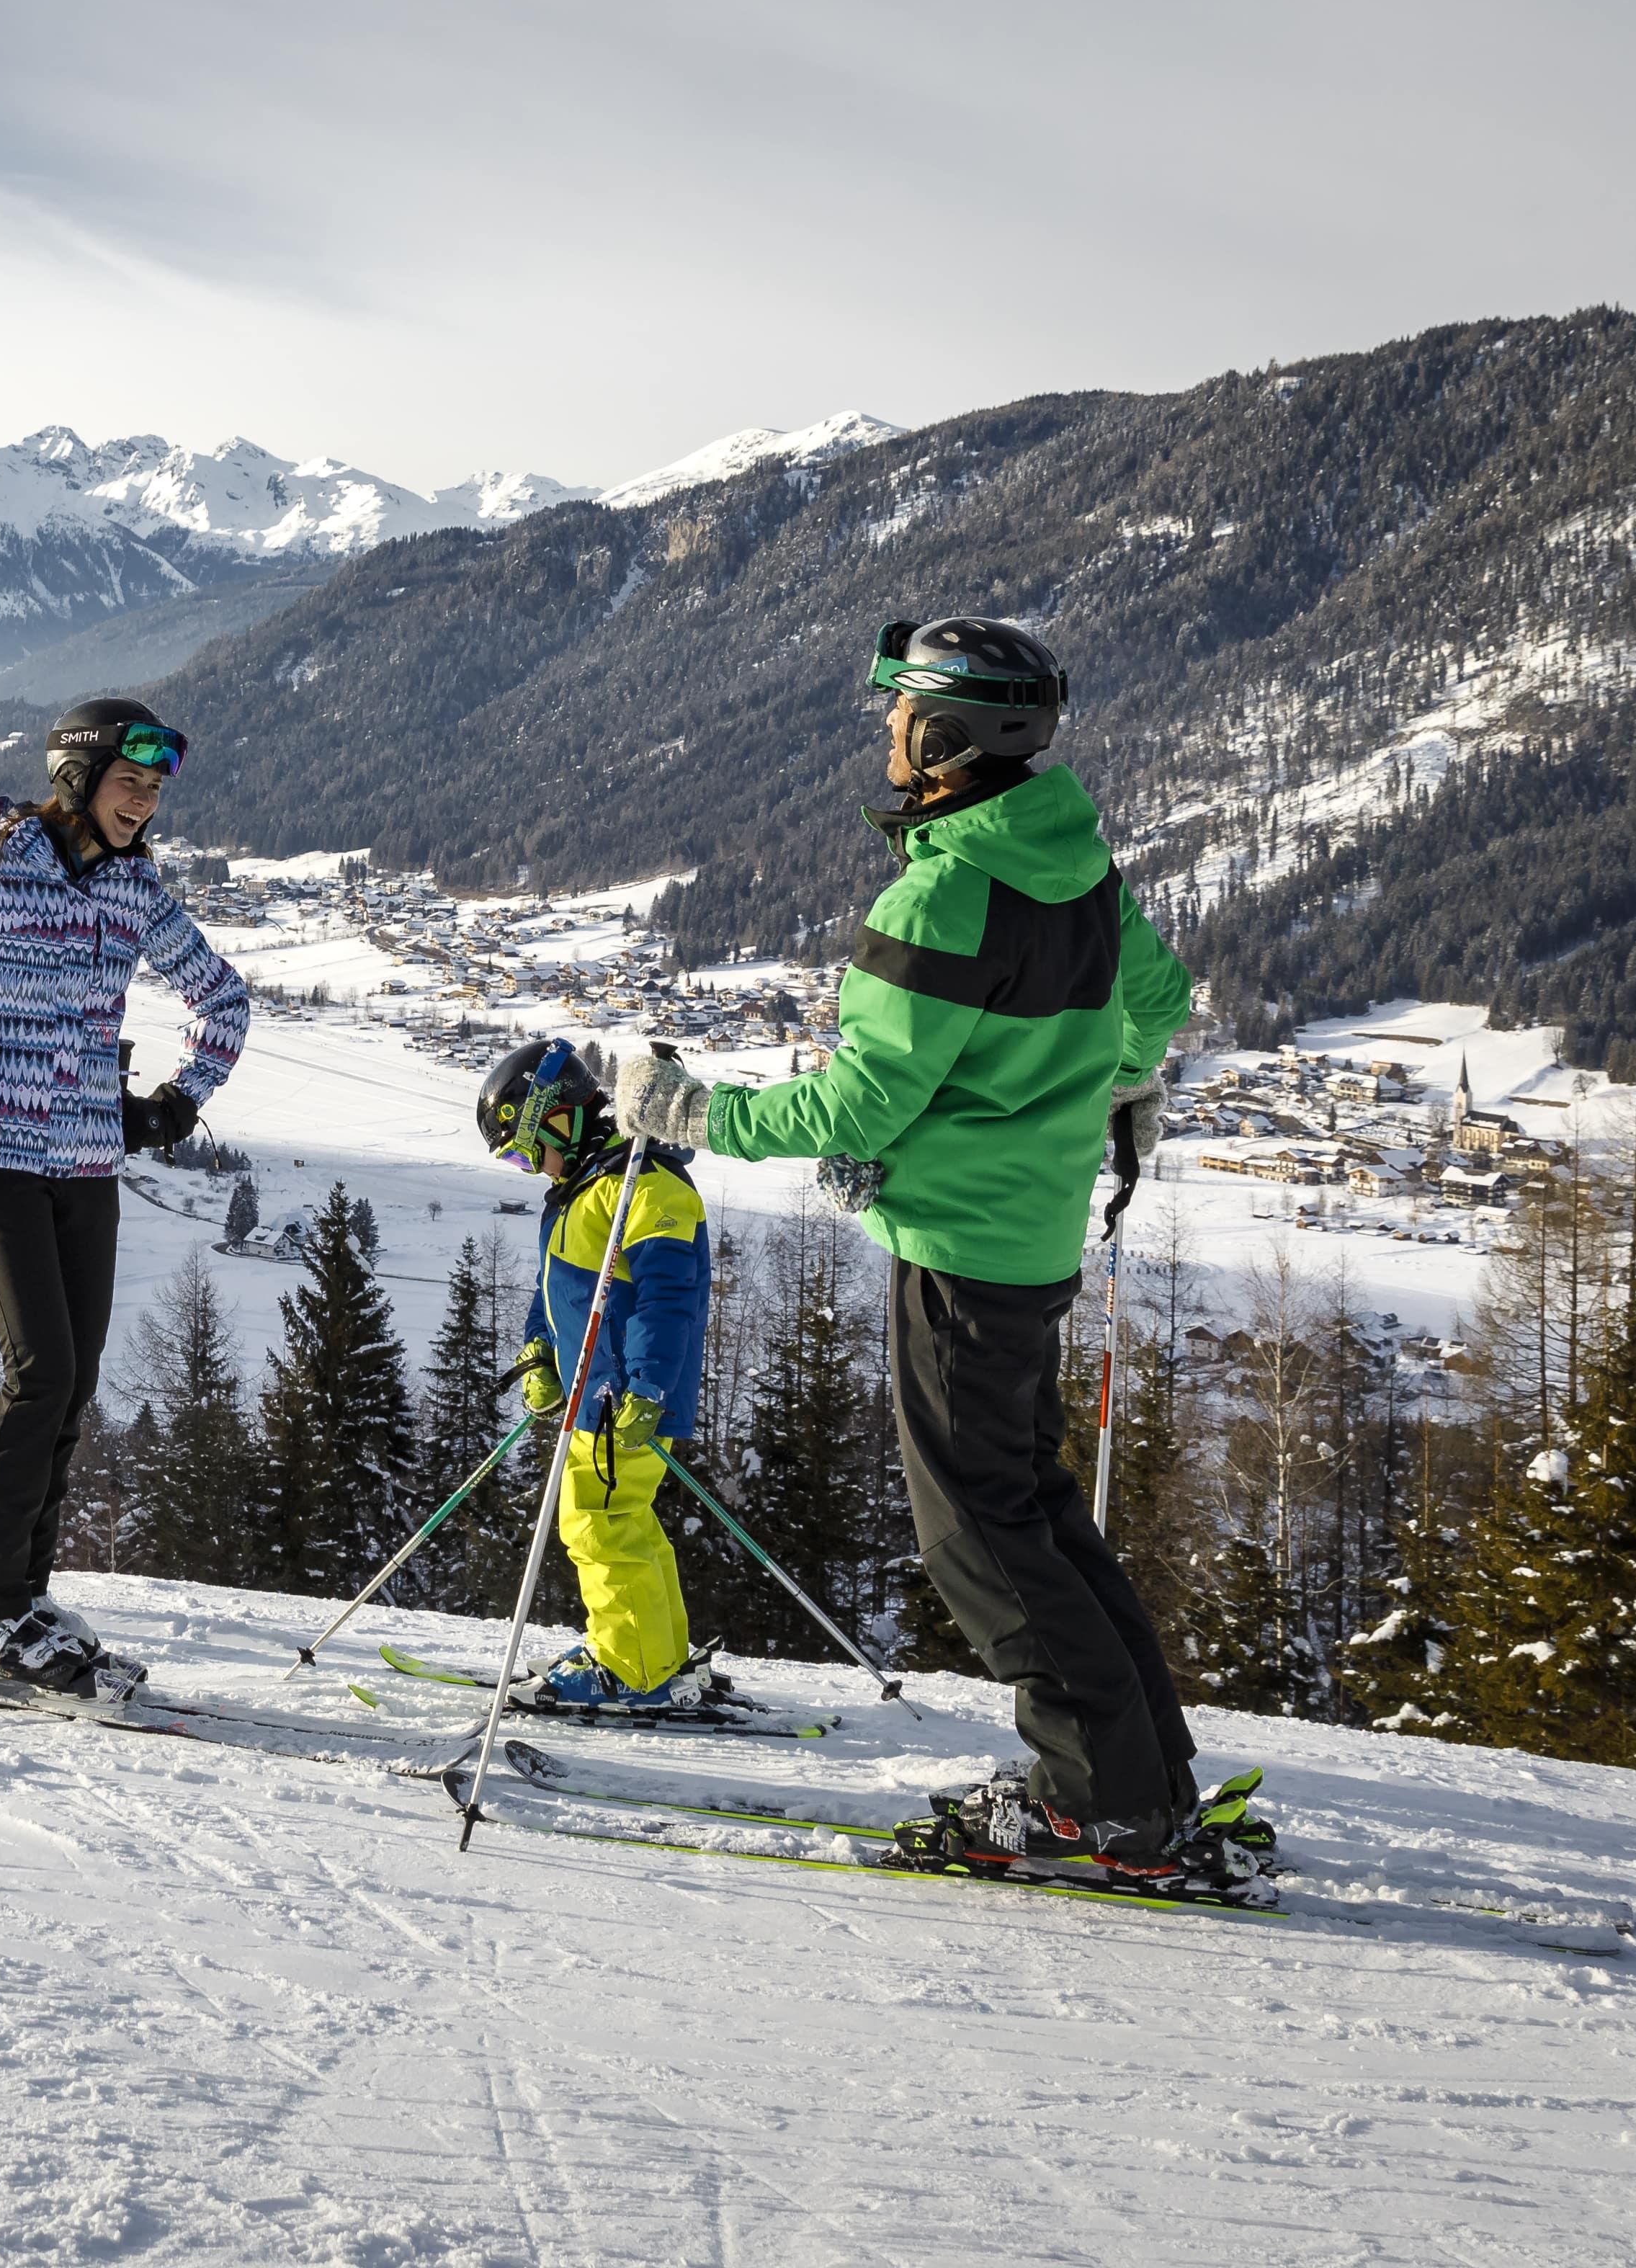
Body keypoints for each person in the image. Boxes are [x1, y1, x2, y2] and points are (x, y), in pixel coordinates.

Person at [609, 615, 1210, 1885]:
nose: (887, 732)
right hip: (1027, 1241)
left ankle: (1099, 1806)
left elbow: (860, 1105)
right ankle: (1144, 1778)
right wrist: (1123, 1081)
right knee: (1036, 1515)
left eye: (901, 715)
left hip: (959, 1257)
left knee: (980, 1541)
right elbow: (1156, 1001)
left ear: (945, 737)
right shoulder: (1076, 866)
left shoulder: (944, 894)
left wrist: (695, 1114)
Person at [0, 694, 251, 1693]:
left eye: (155, 788)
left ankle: (18, 1594)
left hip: (86, 1161)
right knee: (38, 1373)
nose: (145, 801)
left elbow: (224, 998)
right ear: (77, 777)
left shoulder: (134, 886)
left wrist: (171, 1106)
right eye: (130, 781)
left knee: (71, 1385)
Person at [471, 1037, 728, 1717]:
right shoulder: (582, 1192)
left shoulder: (645, 1187)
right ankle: (657, 1655)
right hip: (597, 1392)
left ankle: (632, 1668)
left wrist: (648, 1386)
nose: (531, 1169)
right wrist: (538, 1351)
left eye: (528, 1153)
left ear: (560, 1120)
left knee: (598, 1525)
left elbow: (667, 1301)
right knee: (623, 1523)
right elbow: (556, 1287)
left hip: (625, 1398)